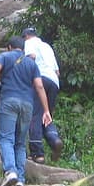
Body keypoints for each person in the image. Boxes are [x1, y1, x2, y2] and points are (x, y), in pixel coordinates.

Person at [0, 37, 51, 186]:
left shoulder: (4, 56)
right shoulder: (31, 63)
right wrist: (46, 110)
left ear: (9, 47)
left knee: (6, 138)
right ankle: (20, 179)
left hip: (9, 101)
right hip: (27, 105)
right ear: (23, 49)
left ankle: (10, 172)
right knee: (20, 142)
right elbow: (39, 86)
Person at [22, 27, 63, 163]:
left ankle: (37, 153)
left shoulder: (29, 43)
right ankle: (54, 140)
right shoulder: (47, 46)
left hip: (41, 80)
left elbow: (31, 58)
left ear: (26, 36)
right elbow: (57, 72)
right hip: (54, 82)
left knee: (35, 115)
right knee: (47, 115)